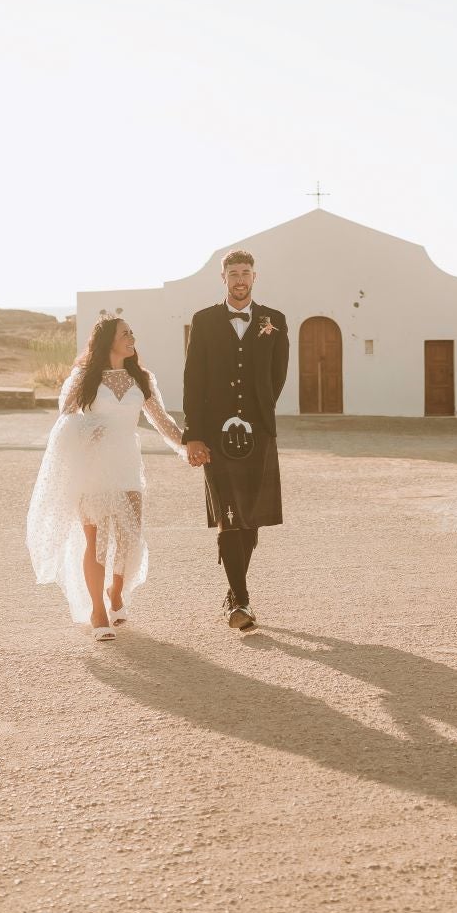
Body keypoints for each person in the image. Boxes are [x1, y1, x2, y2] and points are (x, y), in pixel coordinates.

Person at [26, 317, 185, 640]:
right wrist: (85, 430)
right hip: (92, 467)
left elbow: (161, 420)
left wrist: (188, 446)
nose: (131, 337)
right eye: (125, 333)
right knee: (96, 542)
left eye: (131, 332)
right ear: (108, 341)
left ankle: (116, 591)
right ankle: (98, 611)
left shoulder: (142, 378)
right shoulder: (84, 378)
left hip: (127, 464)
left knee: (129, 539)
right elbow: (64, 420)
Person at [181, 249, 288, 631]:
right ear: (222, 278)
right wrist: (193, 435)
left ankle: (232, 587)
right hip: (214, 436)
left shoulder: (274, 320)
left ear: (254, 277)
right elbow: (193, 380)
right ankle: (240, 601)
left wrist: (255, 415)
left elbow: (277, 377)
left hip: (257, 434)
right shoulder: (205, 321)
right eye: (233, 273)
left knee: (251, 518)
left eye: (246, 273)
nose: (240, 279)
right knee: (229, 516)